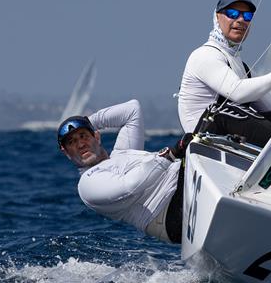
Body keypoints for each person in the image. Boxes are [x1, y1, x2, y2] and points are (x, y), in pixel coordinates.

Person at [178, 0, 271, 147]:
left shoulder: (241, 66)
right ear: (217, 17)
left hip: (229, 137)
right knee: (223, 112)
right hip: (203, 137)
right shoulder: (205, 55)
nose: (241, 20)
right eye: (232, 13)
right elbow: (237, 92)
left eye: (247, 16)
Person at [58, 99, 191, 244]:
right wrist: (169, 155)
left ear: (96, 136)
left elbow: (132, 110)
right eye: (71, 142)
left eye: (83, 136)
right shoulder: (87, 184)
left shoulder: (122, 152)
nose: (80, 144)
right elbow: (130, 186)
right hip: (168, 214)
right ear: (66, 153)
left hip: (183, 184)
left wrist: (85, 121)